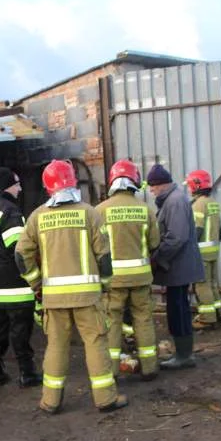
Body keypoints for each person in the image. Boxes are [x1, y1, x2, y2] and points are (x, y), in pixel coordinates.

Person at [15, 159, 128, 414]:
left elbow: (21, 255)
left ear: (48, 187)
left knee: (56, 346)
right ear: (73, 183)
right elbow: (105, 257)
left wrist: (36, 284)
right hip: (88, 297)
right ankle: (105, 399)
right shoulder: (90, 213)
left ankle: (50, 401)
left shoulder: (37, 217)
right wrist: (106, 286)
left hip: (54, 299)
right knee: (96, 343)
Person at [0, 167, 41, 387]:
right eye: (17, 184)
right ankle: (27, 373)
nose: (20, 188)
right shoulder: (10, 210)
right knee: (20, 326)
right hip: (14, 282)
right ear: (8, 186)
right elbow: (18, 249)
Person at [95, 160, 160, 380]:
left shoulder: (100, 211)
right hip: (141, 278)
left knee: (112, 322)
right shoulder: (146, 210)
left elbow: (94, 248)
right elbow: (154, 243)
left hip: (113, 281)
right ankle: (150, 367)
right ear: (135, 181)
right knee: (143, 319)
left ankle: (111, 371)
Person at [146, 164, 205, 370]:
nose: (151, 191)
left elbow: (176, 237)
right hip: (177, 267)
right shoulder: (172, 200)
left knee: (178, 310)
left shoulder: (175, 201)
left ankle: (184, 355)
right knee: (176, 308)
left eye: (152, 187)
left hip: (178, 267)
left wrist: (157, 257)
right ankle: (182, 353)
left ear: (160, 185)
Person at [185, 169, 221, 330]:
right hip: (213, 250)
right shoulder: (212, 203)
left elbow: (197, 230)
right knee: (213, 284)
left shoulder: (198, 205)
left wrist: (188, 249)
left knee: (202, 285)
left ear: (196, 185)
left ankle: (207, 319)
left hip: (201, 253)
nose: (188, 189)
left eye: (189, 185)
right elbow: (220, 229)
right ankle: (217, 313)